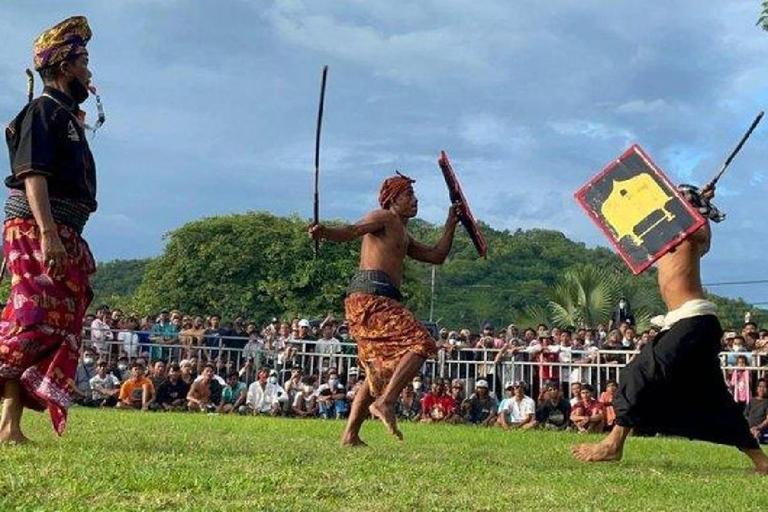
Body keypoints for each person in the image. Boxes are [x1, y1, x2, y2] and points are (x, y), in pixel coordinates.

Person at [573, 198, 768, 473]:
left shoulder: (691, 236)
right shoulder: (662, 243)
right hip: (684, 323)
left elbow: (703, 238)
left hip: (695, 319)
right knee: (712, 397)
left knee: (638, 371)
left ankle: (614, 443)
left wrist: (700, 208)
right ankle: (762, 462)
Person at [0, 16, 99, 442]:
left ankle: (9, 425)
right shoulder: (42, 112)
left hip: (63, 229)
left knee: (58, 321)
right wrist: (47, 234)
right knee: (32, 317)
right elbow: (33, 176)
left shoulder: (64, 116)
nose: (89, 72)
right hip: (39, 227)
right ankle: (8, 424)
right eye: (84, 62)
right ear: (63, 66)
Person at [310, 172, 460, 446]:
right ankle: (387, 401)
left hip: (375, 299)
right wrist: (326, 233)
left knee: (377, 369)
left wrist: (451, 223)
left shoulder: (402, 232)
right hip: (371, 298)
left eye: (414, 195)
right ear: (392, 199)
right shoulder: (384, 217)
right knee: (423, 341)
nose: (415, 201)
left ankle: (350, 434)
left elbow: (436, 256)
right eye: (408, 196)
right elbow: (353, 230)